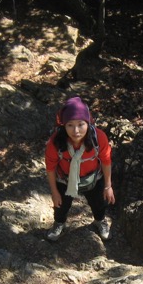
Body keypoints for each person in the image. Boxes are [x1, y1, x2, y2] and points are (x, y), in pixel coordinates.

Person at [44, 96, 115, 241]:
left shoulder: (98, 138)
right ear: (63, 125)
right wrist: (54, 191)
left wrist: (108, 186)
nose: (76, 130)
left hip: (93, 178)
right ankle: (59, 223)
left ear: (88, 123)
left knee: (99, 203)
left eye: (81, 124)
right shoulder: (55, 142)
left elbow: (106, 161)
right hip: (65, 179)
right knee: (60, 206)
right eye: (70, 125)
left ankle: (100, 221)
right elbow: (50, 168)